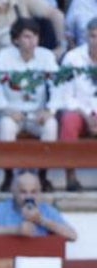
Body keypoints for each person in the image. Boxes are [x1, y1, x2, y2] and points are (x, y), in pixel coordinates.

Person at [0, 17, 62, 190]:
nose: (32, 41)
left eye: (35, 37)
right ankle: (9, 177)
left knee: (51, 125)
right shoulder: (4, 57)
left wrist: (50, 110)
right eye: (27, 37)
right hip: (12, 113)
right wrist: (6, 110)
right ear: (16, 39)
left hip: (37, 114)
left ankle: (43, 177)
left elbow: (58, 85)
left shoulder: (46, 56)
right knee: (6, 127)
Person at [0, 169, 78, 240]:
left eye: (33, 192)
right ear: (14, 191)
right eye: (23, 192)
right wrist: (16, 230)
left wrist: (41, 220)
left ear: (40, 192)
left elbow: (72, 235)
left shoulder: (47, 210)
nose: (28, 197)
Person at [58, 15, 97, 193]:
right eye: (93, 36)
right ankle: (71, 177)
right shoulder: (72, 58)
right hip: (79, 111)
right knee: (69, 120)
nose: (96, 41)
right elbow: (66, 96)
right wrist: (87, 117)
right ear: (87, 37)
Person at [0, 0, 65, 67]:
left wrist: (61, 45)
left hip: (28, 52)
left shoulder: (22, 2)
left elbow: (57, 15)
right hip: (0, 59)